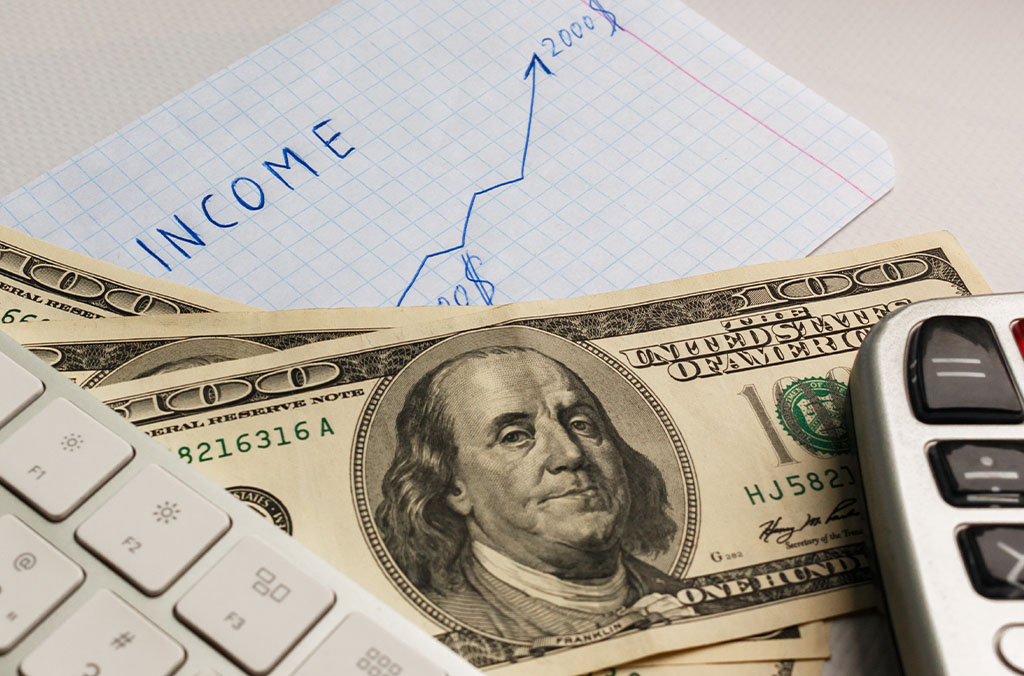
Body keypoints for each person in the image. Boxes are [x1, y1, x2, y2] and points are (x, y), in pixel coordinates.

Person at [376, 344, 683, 642]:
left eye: (581, 424)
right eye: (514, 437)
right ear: (453, 485)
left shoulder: (682, 594)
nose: (570, 453)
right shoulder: (428, 628)